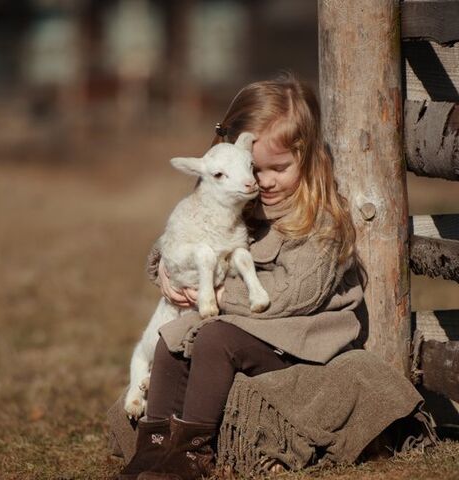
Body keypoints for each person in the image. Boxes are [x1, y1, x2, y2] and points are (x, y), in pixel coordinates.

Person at [107, 74, 434, 480]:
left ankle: (193, 452)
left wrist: (219, 295)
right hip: (246, 330)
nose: (262, 182)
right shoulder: (237, 200)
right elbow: (184, 232)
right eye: (253, 168)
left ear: (308, 159)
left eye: (278, 168)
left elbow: (290, 296)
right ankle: (155, 448)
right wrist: (168, 273)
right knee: (172, 339)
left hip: (296, 343)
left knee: (213, 338)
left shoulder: (320, 224)